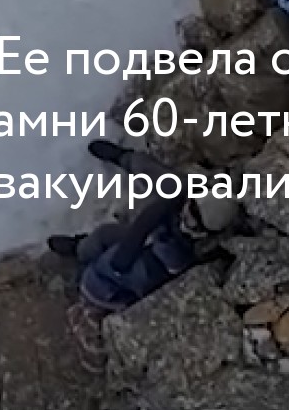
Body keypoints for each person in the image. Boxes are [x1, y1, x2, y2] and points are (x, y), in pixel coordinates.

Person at [47, 140, 198, 373]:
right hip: (154, 240)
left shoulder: (176, 256)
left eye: (191, 218)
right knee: (167, 186)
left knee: (107, 243)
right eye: (191, 208)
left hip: (130, 272)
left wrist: (165, 207)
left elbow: (134, 244)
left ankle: (79, 250)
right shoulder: (197, 205)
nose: (186, 216)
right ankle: (124, 158)